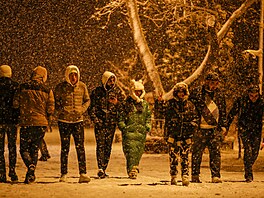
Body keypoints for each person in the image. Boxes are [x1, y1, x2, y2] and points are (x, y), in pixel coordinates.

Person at [13, 66, 54, 184]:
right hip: (40, 123)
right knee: (35, 149)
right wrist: (47, 119)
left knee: (24, 149)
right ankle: (31, 171)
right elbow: (50, 108)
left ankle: (30, 166)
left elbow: (16, 104)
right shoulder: (47, 90)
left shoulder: (23, 87)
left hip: (26, 122)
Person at [156, 82, 198, 186]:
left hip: (186, 134)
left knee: (185, 156)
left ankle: (185, 175)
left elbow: (195, 117)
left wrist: (192, 127)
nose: (181, 94)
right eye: (179, 92)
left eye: (182, 92)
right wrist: (159, 102)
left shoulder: (190, 105)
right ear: (176, 92)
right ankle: (173, 176)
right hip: (173, 134)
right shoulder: (170, 104)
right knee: (173, 156)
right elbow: (161, 111)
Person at [55, 65, 91, 183]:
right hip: (64, 122)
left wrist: (81, 109)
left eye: (75, 75)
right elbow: (56, 101)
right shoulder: (60, 87)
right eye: (71, 75)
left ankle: (83, 173)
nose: (74, 77)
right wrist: (62, 110)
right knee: (65, 148)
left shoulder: (82, 86)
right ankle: (63, 173)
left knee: (80, 148)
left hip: (78, 122)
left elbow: (87, 100)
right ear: (67, 76)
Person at [189, 72, 227, 183]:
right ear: (206, 82)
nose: (214, 86)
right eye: (212, 83)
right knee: (197, 153)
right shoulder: (197, 93)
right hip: (200, 128)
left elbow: (222, 110)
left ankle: (215, 175)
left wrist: (223, 125)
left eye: (216, 83)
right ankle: (195, 175)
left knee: (215, 153)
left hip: (214, 129)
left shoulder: (219, 94)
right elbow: (191, 108)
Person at [88, 71, 125, 178]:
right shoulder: (97, 92)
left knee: (108, 146)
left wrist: (117, 103)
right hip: (100, 124)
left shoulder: (117, 92)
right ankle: (100, 167)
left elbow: (123, 108)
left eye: (113, 80)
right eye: (110, 80)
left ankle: (104, 168)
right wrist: (96, 120)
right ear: (105, 80)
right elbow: (92, 108)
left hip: (111, 124)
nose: (112, 82)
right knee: (100, 145)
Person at [227, 84, 264, 182]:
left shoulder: (261, 102)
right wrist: (226, 126)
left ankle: (248, 166)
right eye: (251, 96)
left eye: (255, 96)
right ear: (248, 94)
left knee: (255, 152)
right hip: (244, 129)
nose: (253, 98)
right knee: (248, 149)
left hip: (256, 130)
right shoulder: (241, 101)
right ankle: (249, 174)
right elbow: (232, 113)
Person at [118, 80, 151, 179]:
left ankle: (134, 167)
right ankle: (132, 169)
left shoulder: (144, 104)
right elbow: (121, 117)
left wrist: (147, 125)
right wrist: (123, 127)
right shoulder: (127, 103)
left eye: (140, 91)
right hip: (129, 132)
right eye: (137, 91)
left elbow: (148, 116)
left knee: (138, 152)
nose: (138, 93)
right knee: (130, 152)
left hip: (141, 133)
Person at [0, 65, 19, 183]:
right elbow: (17, 103)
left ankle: (1, 173)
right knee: (12, 147)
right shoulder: (16, 86)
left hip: (0, 120)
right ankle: (12, 171)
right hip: (12, 121)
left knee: (0, 149)